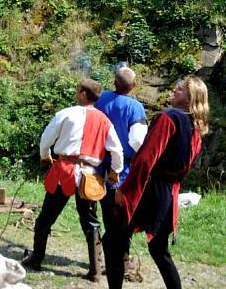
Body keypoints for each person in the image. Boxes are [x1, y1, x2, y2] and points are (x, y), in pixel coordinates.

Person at [102, 76, 209, 289]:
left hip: (148, 190)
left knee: (112, 242)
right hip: (168, 193)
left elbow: (146, 158)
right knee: (158, 249)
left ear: (191, 97)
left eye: (180, 89)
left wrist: (126, 190)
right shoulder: (196, 127)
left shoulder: (168, 117)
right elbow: (184, 168)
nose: (175, 90)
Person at [22, 78, 123, 283]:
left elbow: (46, 139)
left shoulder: (66, 114)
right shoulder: (105, 120)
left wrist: (44, 156)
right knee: (91, 222)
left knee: (46, 217)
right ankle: (96, 271)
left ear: (84, 94)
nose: (76, 92)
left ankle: (36, 259)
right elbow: (117, 150)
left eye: (78, 90)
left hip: (64, 172)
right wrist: (115, 172)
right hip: (90, 176)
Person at [95, 66, 147, 275]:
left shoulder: (100, 99)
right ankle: (122, 261)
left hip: (98, 166)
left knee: (106, 213)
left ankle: (103, 259)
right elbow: (137, 141)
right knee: (123, 215)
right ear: (133, 86)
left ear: (114, 82)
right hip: (123, 169)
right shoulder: (135, 108)